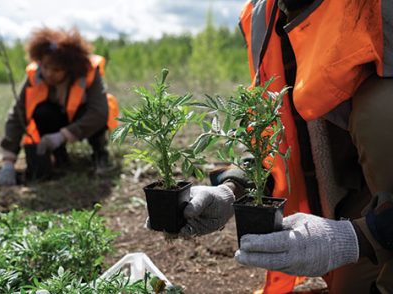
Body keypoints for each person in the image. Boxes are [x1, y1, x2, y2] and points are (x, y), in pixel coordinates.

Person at [158, 1, 393, 293]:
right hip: (362, 199)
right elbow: (273, 126)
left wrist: (363, 237)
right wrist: (233, 188)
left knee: (381, 110)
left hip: (382, 208)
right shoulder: (264, 14)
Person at [0, 27, 119, 185]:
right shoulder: (35, 76)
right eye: (46, 67)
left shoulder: (88, 72)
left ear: (69, 68)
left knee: (98, 113)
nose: (48, 73)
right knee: (42, 112)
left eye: (56, 70)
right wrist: (8, 161)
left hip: (83, 121)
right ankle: (60, 158)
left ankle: (100, 154)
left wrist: (62, 136)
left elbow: (99, 112)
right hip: (58, 119)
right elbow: (17, 116)